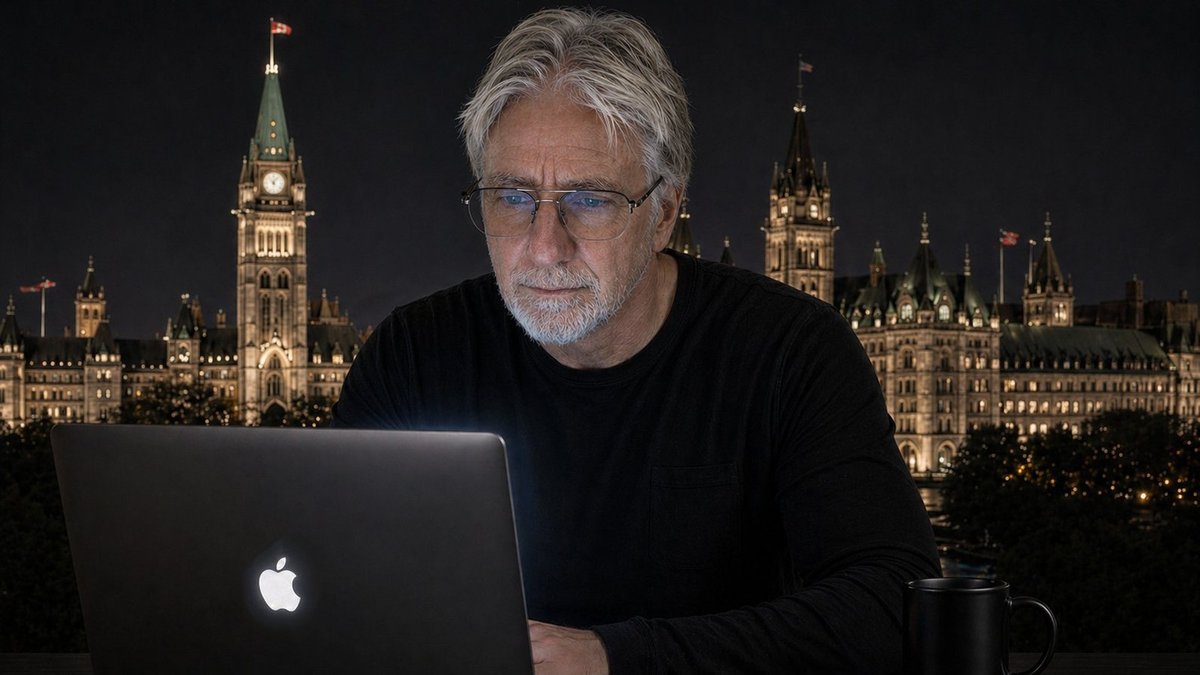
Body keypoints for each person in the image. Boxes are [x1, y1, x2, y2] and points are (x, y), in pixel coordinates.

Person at [333, 7, 940, 673]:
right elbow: (328, 579)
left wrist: (614, 658)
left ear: (664, 213)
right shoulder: (410, 355)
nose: (545, 247)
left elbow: (894, 600)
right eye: (512, 197)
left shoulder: (794, 351)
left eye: (589, 200)